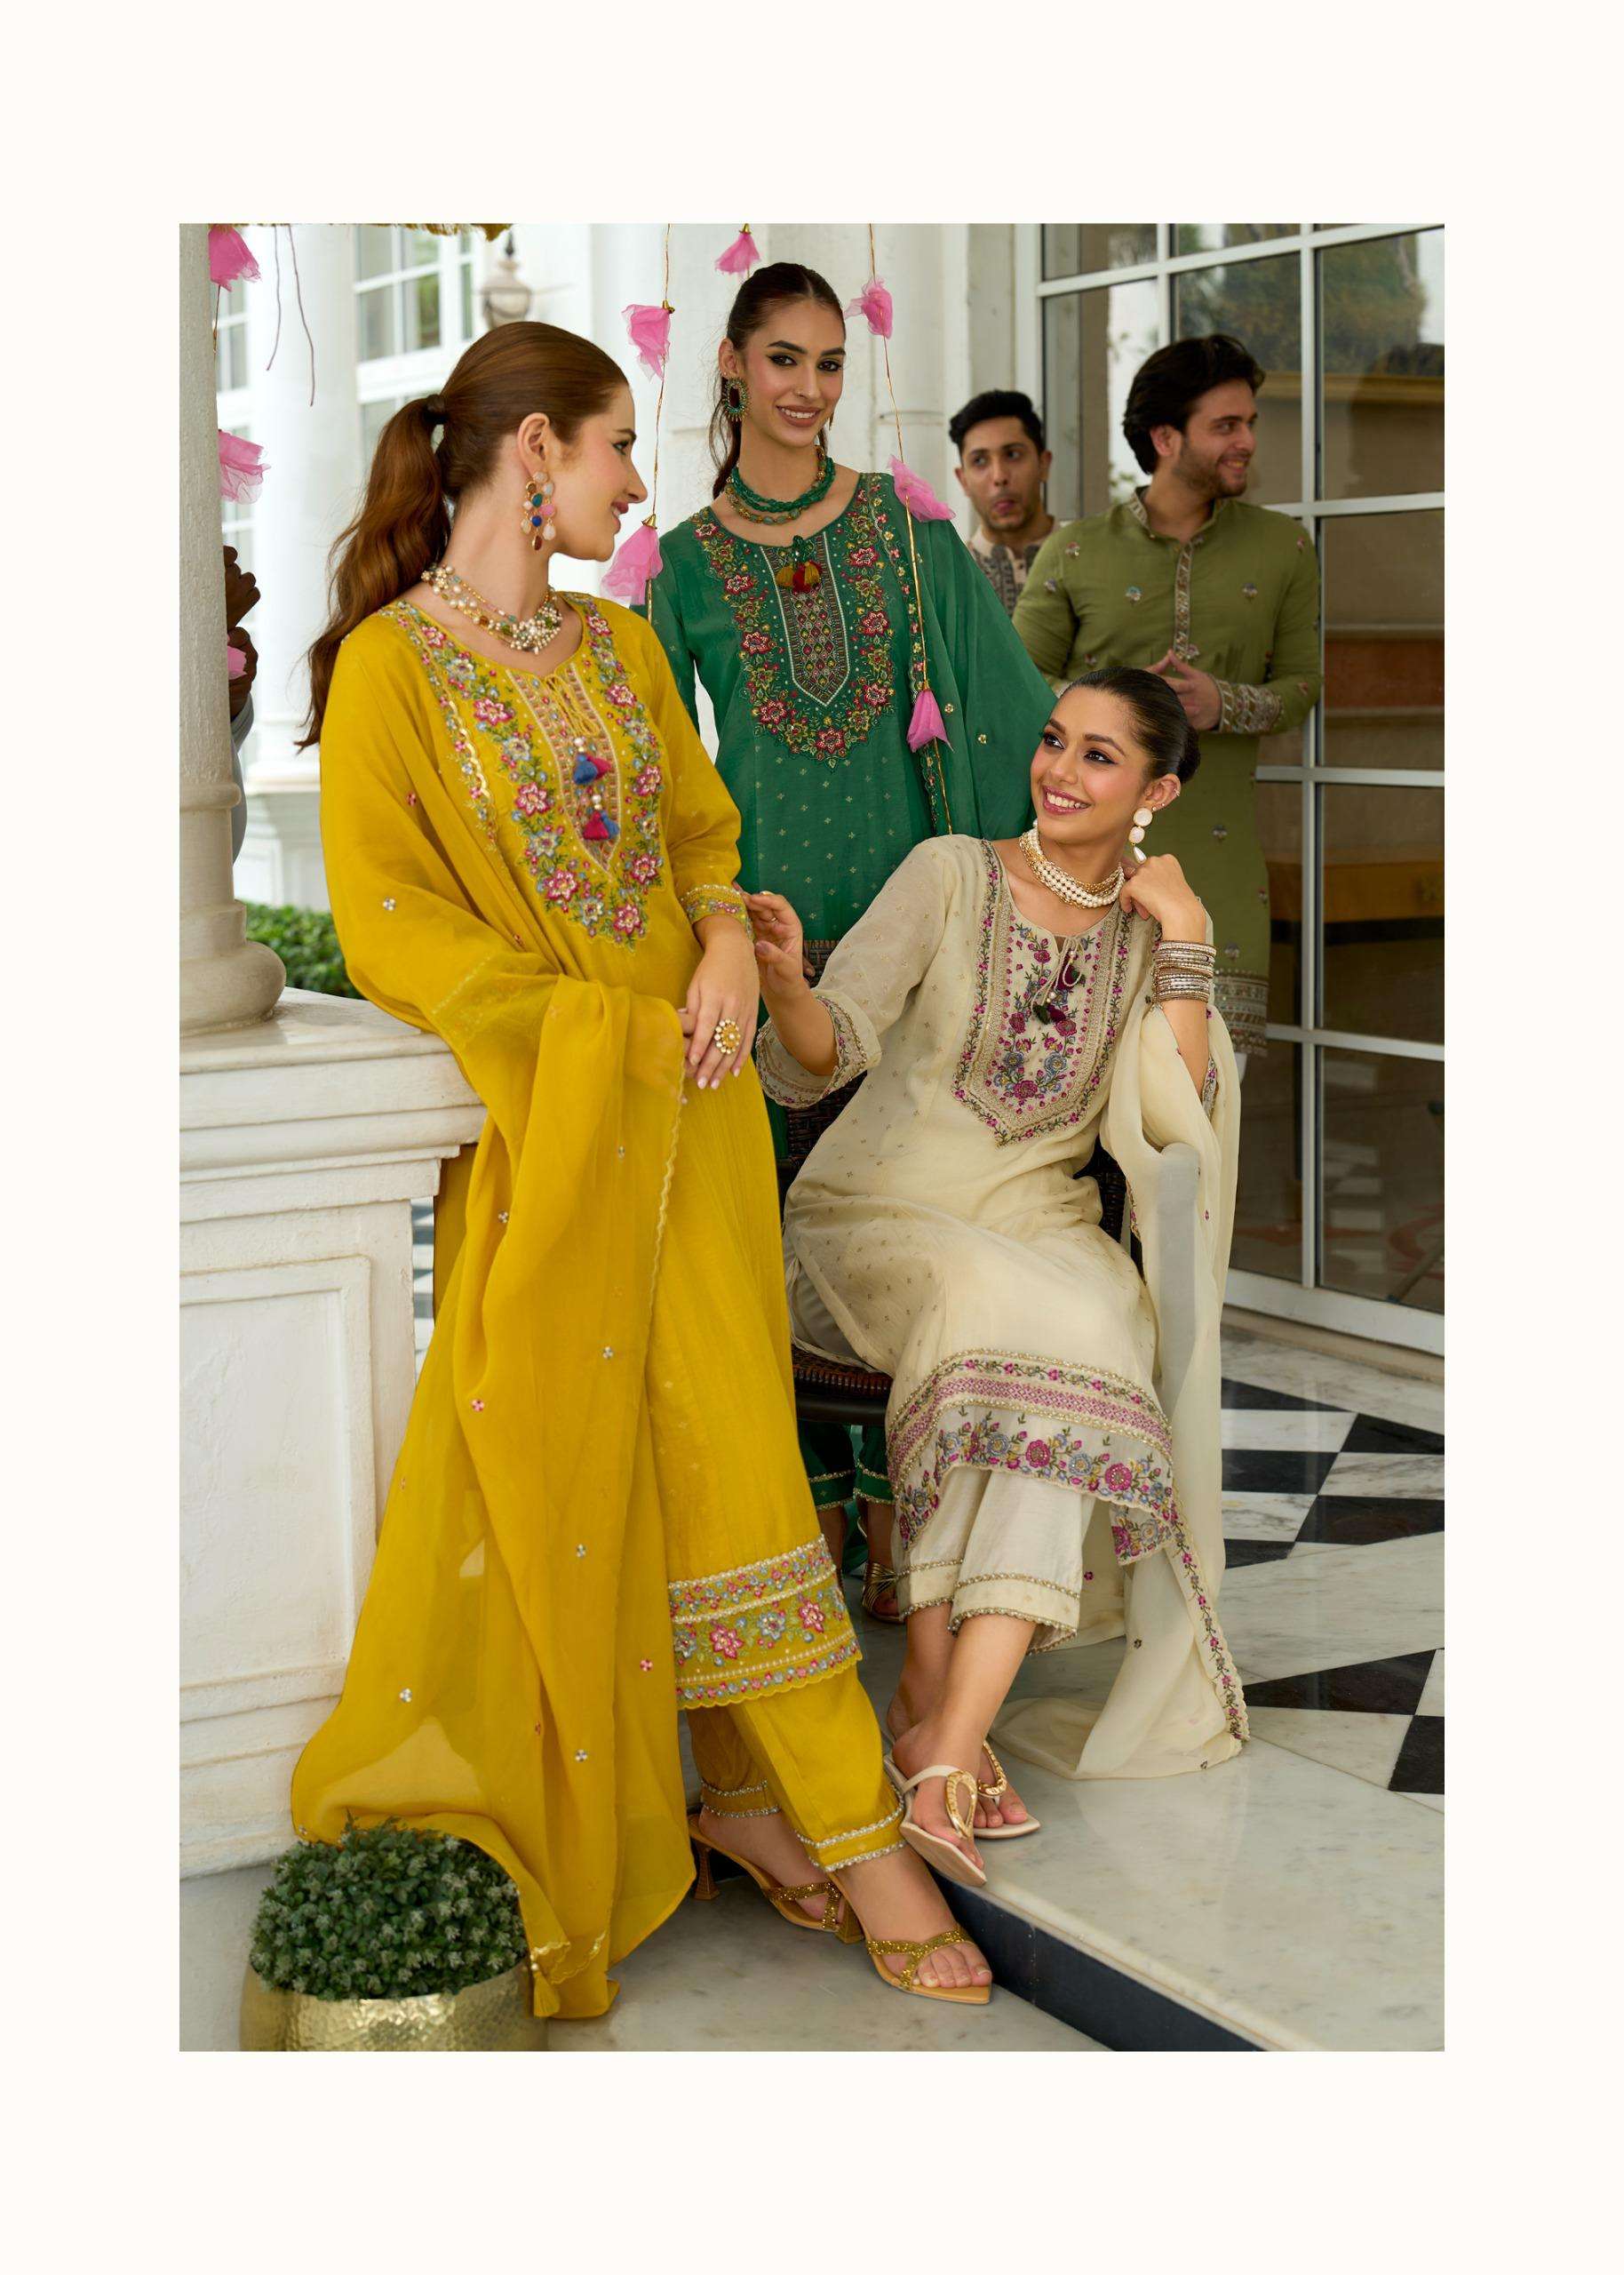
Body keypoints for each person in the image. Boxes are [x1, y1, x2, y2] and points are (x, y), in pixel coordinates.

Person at [290, 320, 993, 2016]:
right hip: (576, 1122)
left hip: (700, 1111)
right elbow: (392, 928)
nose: (631, 481)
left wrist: (724, 944)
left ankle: (750, 1798)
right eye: (614, 446)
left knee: (723, 1436)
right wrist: (595, 1032)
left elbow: (697, 835)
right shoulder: (390, 670)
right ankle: (846, 1829)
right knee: (682, 1451)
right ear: (535, 450)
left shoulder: (610, 645)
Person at [749, 666, 1246, 1885]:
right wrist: (788, 988)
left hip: (1039, 1225)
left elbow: (1180, 1114)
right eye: (1054, 741)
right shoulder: (951, 875)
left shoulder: (1152, 929)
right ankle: (938, 1719)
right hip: (877, 1216)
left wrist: (1185, 939)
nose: (1058, 772)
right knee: (1007, 1318)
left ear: (1157, 792)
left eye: (1098, 756)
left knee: (1086, 1328)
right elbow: (827, 1049)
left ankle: (940, 1739)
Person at [647, 261, 1055, 1620]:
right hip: (767, 938)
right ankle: (805, 1511)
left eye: (830, 363)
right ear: (731, 363)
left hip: (909, 928)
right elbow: (666, 779)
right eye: (784, 360)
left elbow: (1003, 702)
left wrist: (1087, 821)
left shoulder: (903, 527)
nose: (811, 389)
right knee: (781, 1226)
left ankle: (903, 1510)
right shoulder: (682, 566)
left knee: (906, 1214)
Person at [1013, 335, 1322, 1065]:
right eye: (1226, 426)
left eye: (1249, 423)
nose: (1246, 441)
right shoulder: (1077, 551)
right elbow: (1017, 680)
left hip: (1221, 869)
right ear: (1165, 438)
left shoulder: (1283, 549)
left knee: (1207, 1099)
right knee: (1068, 1089)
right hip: (1079, 871)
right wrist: (1108, 705)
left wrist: (1223, 704)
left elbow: (1303, 687)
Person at [950, 388, 1055, 615]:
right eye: (980, 461)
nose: (999, 477)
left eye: (1013, 455)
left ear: (1043, 464)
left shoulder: (1087, 558)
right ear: (963, 480)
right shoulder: (949, 581)